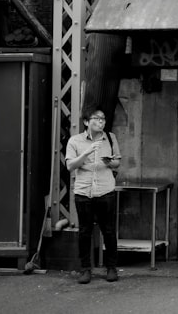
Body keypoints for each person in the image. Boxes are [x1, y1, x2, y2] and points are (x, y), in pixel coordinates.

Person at [65, 108, 121, 284]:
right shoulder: (75, 141)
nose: (101, 121)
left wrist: (110, 161)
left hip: (106, 191)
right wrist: (87, 152)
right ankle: (85, 269)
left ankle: (111, 268)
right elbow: (70, 166)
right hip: (83, 192)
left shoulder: (110, 138)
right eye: (96, 119)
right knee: (85, 232)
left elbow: (118, 162)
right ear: (86, 122)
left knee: (109, 231)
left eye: (103, 118)